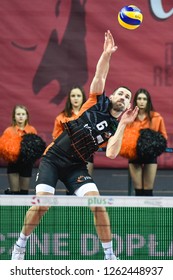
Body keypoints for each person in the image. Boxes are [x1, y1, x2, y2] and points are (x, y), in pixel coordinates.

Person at [11, 30, 138, 260]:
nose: (123, 97)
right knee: (43, 205)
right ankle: (20, 246)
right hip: (53, 158)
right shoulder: (96, 101)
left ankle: (109, 256)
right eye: (120, 93)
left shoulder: (113, 125)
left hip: (76, 167)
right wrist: (106, 54)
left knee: (98, 205)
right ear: (112, 95)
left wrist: (123, 125)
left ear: (128, 105)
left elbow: (111, 154)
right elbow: (100, 74)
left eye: (127, 97)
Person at [120, 88, 168, 196]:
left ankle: (149, 213)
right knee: (138, 190)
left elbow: (163, 137)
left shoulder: (157, 117)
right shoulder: (128, 117)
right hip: (134, 156)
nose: (141, 101)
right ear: (135, 101)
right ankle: (138, 213)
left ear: (148, 101)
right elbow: (122, 136)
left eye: (144, 99)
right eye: (139, 99)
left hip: (150, 156)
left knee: (148, 190)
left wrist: (153, 143)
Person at [52, 85, 94, 184]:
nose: (75, 98)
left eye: (78, 96)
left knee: (85, 183)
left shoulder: (89, 115)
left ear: (83, 98)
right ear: (69, 98)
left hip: (86, 153)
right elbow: (56, 138)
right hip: (68, 154)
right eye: (73, 96)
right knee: (71, 184)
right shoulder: (61, 117)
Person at [0, 105, 37, 195]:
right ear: (14, 116)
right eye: (18, 114)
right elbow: (3, 149)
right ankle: (10, 192)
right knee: (15, 194)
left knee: (24, 193)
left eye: (23, 114)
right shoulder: (9, 131)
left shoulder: (32, 130)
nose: (21, 116)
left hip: (26, 165)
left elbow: (36, 148)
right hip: (13, 164)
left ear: (27, 116)